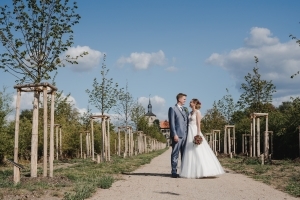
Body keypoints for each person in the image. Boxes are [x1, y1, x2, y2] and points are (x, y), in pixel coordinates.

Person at [180, 98, 225, 178]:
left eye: (191, 102)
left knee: (198, 150)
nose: (189, 103)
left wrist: (198, 134)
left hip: (194, 131)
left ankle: (204, 170)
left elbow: (198, 124)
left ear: (194, 103)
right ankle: (193, 171)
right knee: (190, 151)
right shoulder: (190, 112)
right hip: (189, 131)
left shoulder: (197, 112)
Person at [168, 93, 189, 178]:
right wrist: (174, 134)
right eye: (184, 99)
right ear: (179, 99)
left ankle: (183, 171)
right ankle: (174, 171)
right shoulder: (172, 109)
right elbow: (172, 123)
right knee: (175, 154)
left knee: (184, 154)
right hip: (177, 135)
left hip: (185, 135)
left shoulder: (185, 109)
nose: (185, 100)